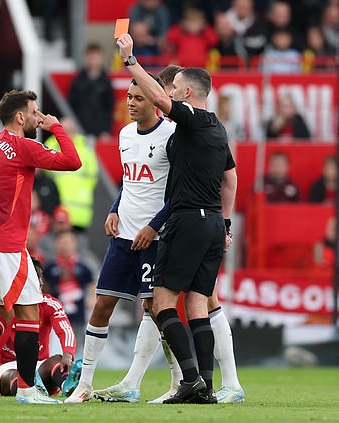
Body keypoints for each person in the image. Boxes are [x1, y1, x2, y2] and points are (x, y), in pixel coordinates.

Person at [116, 34, 237, 404]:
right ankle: (206, 387)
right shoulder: (217, 127)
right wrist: (227, 225)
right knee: (198, 305)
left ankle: (188, 379)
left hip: (186, 221)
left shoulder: (192, 119)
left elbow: (159, 99)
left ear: (186, 92)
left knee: (160, 303)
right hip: (214, 223)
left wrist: (129, 60)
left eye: (176, 85)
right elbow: (230, 179)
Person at [0, 89, 81, 404]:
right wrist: (56, 127)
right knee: (29, 311)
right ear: (20, 117)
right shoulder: (23, 146)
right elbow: (72, 161)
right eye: (34, 112)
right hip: (6, 245)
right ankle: (26, 389)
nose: (38, 117)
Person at [65, 72, 176, 404]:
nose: (130, 103)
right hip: (123, 235)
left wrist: (154, 226)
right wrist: (113, 209)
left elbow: (179, 191)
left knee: (155, 309)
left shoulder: (172, 135)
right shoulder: (126, 134)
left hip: (155, 239)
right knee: (102, 304)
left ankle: (159, 380)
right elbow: (130, 181)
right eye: (128, 97)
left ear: (155, 100)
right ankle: (84, 384)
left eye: (138, 97)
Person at [0, 257, 81, 398]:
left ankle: (69, 387)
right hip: (7, 366)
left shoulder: (49, 304)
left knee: (57, 359)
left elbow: (65, 330)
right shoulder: (0, 307)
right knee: (14, 375)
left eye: (36, 279)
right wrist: (11, 312)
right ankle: (25, 390)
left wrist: (68, 354)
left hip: (39, 365)